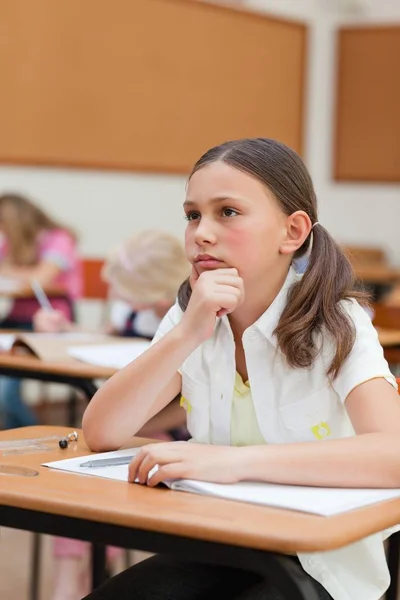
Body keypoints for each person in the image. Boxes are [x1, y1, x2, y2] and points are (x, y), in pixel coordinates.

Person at [81, 138, 400, 600]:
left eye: (227, 212)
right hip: (218, 545)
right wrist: (188, 332)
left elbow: (393, 455)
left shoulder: (335, 321)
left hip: (319, 564)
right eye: (193, 215)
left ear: (292, 232)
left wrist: (232, 463)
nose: (201, 233)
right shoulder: (191, 316)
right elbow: (104, 431)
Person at [34, 229, 190, 600]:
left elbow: (186, 407)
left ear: (156, 289)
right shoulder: (134, 311)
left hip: (172, 435)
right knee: (79, 473)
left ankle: (75, 577)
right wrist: (66, 330)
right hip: (127, 426)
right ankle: (72, 574)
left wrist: (129, 423)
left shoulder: (187, 319)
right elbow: (105, 337)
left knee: (109, 472)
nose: (120, 299)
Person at [0, 193, 82, 429]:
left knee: (4, 394)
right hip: (15, 320)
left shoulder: (59, 239)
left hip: (49, 323)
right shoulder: (9, 244)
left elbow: (40, 279)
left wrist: (9, 269)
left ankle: (25, 433)